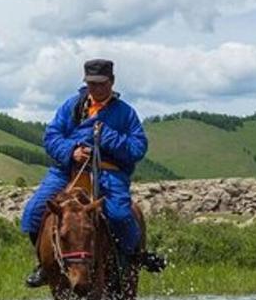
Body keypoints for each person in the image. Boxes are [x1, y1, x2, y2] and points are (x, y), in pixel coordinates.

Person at [20, 58, 165, 287]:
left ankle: (133, 257)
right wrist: (72, 150)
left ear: (112, 82)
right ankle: (46, 265)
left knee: (119, 215)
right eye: (91, 84)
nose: (96, 88)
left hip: (108, 173)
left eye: (101, 83)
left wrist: (107, 137)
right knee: (32, 214)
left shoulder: (125, 113)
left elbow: (137, 148)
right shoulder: (71, 106)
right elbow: (51, 137)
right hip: (67, 170)